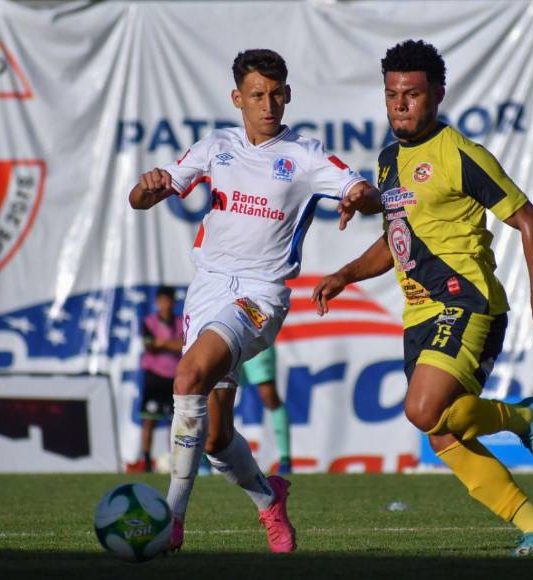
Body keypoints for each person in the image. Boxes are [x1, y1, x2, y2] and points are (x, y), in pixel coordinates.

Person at [313, 40, 533, 557]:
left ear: (437, 95)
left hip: (468, 302)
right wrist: (345, 273)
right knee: (442, 431)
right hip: (419, 316)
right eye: (391, 95)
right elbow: (398, 241)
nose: (400, 105)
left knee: (422, 409)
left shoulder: (460, 154)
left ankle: (524, 420)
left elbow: (530, 220)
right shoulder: (388, 162)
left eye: (411, 94)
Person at [129, 48, 380, 554]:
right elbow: (143, 198)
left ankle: (171, 520)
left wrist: (360, 197)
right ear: (237, 98)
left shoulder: (306, 155)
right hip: (208, 290)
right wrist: (147, 186)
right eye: (257, 95)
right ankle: (270, 500)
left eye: (276, 94)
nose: (268, 104)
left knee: (186, 376)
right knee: (218, 441)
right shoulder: (215, 146)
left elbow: (364, 191)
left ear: (287, 95)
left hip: (261, 296)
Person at [138, 285, 184, 472]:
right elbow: (150, 346)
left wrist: (163, 342)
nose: (166, 305)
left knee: (174, 422)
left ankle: (176, 460)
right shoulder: (149, 322)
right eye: (162, 301)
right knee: (149, 419)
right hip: (155, 377)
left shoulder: (181, 322)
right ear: (157, 302)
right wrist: (171, 344)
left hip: (175, 377)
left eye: (169, 301)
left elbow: (184, 345)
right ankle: (147, 462)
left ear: (173, 302)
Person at [241, 345, 292, 474]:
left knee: (269, 396)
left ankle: (285, 459)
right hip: (225, 339)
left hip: (254, 340)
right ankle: (204, 459)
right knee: (217, 395)